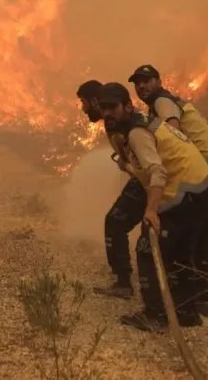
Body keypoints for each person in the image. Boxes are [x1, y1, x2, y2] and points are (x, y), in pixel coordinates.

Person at [97, 82, 208, 331]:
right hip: (200, 185)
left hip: (185, 189)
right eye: (103, 108)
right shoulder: (139, 125)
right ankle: (187, 314)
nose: (107, 113)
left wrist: (151, 211)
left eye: (113, 108)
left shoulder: (137, 133)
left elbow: (157, 174)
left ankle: (155, 316)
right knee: (178, 253)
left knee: (147, 248)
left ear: (127, 106)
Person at [128, 64, 208, 317]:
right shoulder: (162, 102)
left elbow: (174, 132)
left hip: (207, 168)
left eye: (147, 81)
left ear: (159, 81)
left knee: (194, 235)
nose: (142, 86)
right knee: (198, 234)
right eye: (137, 83)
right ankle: (199, 300)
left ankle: (194, 301)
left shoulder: (163, 102)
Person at [76, 79, 145, 299]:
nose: (83, 108)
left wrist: (128, 167)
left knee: (115, 221)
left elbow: (138, 160)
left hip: (148, 179)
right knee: (117, 222)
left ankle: (124, 283)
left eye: (84, 102)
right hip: (145, 176)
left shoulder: (120, 124)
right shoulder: (114, 121)